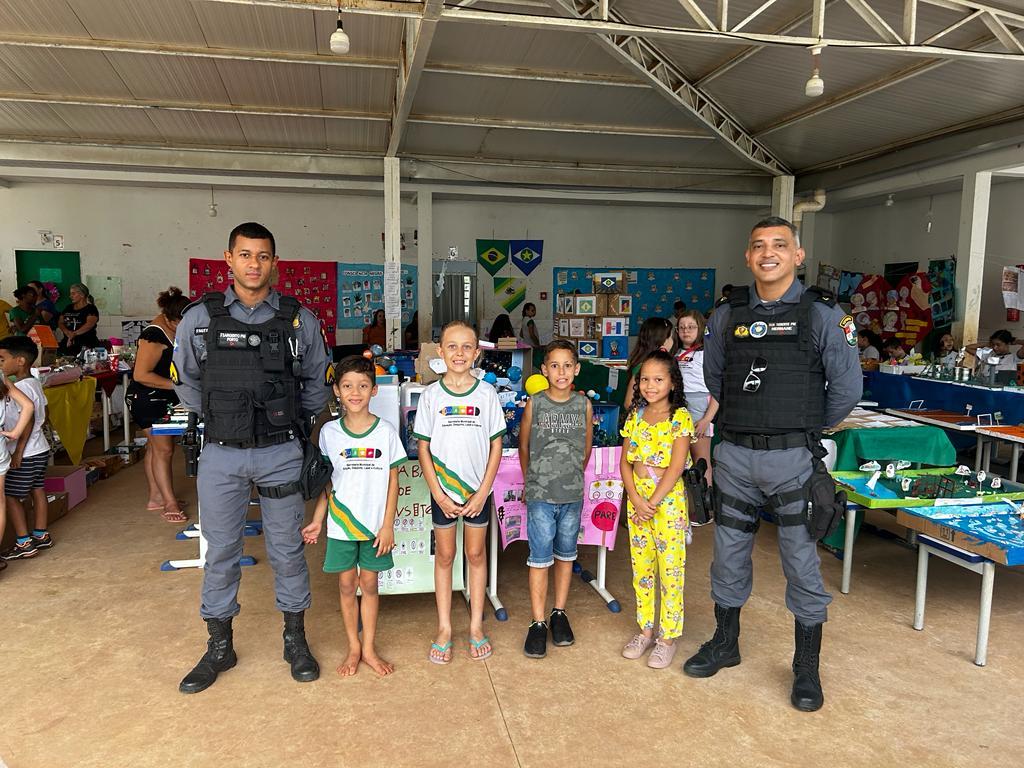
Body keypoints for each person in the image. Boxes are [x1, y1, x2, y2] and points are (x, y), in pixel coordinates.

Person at [684, 216, 861, 712]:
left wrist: (800, 426)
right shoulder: (726, 314)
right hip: (736, 455)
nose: (769, 253)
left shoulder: (825, 314)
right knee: (728, 554)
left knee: (801, 562)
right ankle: (726, 643)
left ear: (798, 255)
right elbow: (717, 378)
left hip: (792, 460)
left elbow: (847, 389)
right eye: (759, 245)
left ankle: (806, 667)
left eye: (780, 245)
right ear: (747, 256)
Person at [172, 222, 330, 694]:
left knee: (287, 550)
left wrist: (287, 425)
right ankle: (219, 646)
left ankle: (295, 640)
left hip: (281, 450)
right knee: (220, 550)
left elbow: (317, 381)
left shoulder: (299, 319)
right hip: (221, 451)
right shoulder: (200, 318)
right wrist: (226, 417)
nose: (253, 264)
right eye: (245, 255)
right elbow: (186, 378)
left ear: (274, 262)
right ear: (229, 258)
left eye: (262, 256)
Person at [301, 355, 404, 677]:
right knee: (347, 586)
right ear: (337, 390)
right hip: (341, 527)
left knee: (369, 586)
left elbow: (393, 481)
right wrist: (318, 519)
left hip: (375, 529)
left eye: (362, 385)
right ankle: (353, 647)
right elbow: (328, 484)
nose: (355, 392)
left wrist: (388, 526)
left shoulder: (385, 432)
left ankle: (369, 648)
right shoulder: (330, 433)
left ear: (374, 390)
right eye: (347, 386)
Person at [414, 321, 505, 664]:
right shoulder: (431, 397)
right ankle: (444, 628)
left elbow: (496, 445)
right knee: (446, 557)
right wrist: (438, 494)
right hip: (444, 493)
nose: (459, 354)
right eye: (452, 347)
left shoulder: (486, 394)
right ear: (440, 352)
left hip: (476, 493)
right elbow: (423, 448)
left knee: (476, 555)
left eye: (467, 347)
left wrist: (483, 492)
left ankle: (477, 626)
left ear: (477, 353)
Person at [619, 350, 694, 669]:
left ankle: (668, 637)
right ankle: (646, 630)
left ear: (672, 382)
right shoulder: (635, 415)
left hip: (668, 503)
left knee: (671, 571)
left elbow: (677, 467)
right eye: (645, 379)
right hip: (637, 502)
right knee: (642, 569)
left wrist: (651, 503)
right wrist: (635, 499)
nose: (650, 385)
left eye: (658, 379)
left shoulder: (680, 419)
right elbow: (625, 462)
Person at [518, 340, 593, 659]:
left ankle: (558, 613)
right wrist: (531, 481)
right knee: (540, 557)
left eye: (567, 365)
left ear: (576, 369)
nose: (561, 372)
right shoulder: (535, 403)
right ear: (544, 370)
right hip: (540, 495)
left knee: (565, 555)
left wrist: (572, 477)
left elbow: (586, 449)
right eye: (554, 365)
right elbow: (524, 446)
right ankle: (537, 623)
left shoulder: (583, 405)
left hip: (571, 494)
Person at [126, 287, 190, 523]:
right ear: (170, 319)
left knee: (155, 448)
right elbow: (141, 375)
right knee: (164, 450)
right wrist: (179, 386)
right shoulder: (153, 335)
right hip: (147, 399)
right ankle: (170, 502)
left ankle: (156, 497)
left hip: (164, 395)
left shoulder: (172, 329)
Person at [0, 336, 51, 562]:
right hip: (40, 448)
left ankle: (24, 542)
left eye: (2, 359)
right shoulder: (34, 382)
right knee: (37, 490)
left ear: (20, 361)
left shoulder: (19, 387)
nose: (0, 365)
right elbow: (44, 414)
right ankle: (41, 534)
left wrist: (18, 452)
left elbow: (27, 421)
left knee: (10, 497)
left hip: (27, 452)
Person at [676, 311, 718, 483]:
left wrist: (706, 419)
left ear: (700, 328)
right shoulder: (675, 352)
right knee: (682, 459)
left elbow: (717, 391)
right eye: (682, 327)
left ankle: (706, 506)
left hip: (701, 407)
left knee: (701, 459)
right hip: (679, 404)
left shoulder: (708, 353)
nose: (686, 331)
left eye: (691, 327)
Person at [624, 317, 675, 410]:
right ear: (663, 339)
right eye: (671, 337)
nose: (672, 341)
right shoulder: (644, 366)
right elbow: (628, 403)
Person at [57, 283, 99, 355]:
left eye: (73, 294)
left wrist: (74, 334)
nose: (70, 296)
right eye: (70, 294)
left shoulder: (91, 309)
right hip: (68, 343)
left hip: (86, 344)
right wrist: (67, 332)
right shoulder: (68, 307)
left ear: (82, 295)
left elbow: (89, 324)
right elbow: (60, 322)